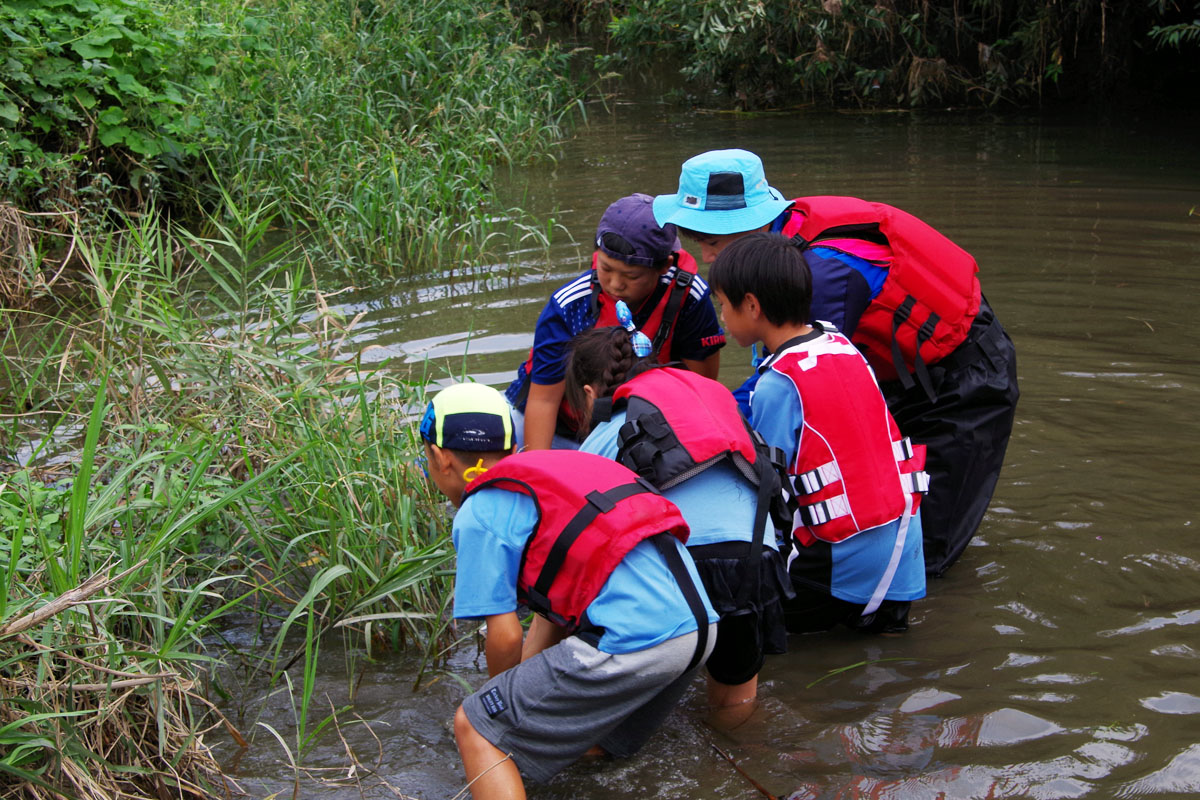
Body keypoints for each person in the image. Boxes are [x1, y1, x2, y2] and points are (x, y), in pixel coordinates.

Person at [652, 148, 1018, 577]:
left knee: (924, 547)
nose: (708, 258)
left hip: (962, 379)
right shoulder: (780, 249)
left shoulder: (821, 277)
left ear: (753, 224)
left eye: (713, 243)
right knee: (887, 503)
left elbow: (783, 384)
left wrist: (690, 424)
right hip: (899, 373)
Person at [420, 381, 718, 799]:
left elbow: (505, 635)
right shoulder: (555, 472)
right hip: (699, 628)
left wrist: (501, 718)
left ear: (439, 457)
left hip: (634, 638)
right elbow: (559, 604)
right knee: (588, 750)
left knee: (476, 727)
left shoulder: (480, 511)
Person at [563, 324, 794, 729]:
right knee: (734, 704)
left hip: (679, 576)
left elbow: (576, 552)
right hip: (755, 560)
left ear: (587, 395)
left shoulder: (603, 433)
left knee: (621, 720)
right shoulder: (708, 406)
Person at [708, 232, 928, 634]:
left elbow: (766, 495)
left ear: (752, 306)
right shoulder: (845, 348)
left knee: (726, 616)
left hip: (837, 583)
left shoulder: (778, 384)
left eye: (723, 305)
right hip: (904, 567)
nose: (723, 317)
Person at [505, 192, 725, 451]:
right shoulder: (569, 305)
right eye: (606, 268)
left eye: (631, 276)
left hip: (642, 429)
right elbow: (544, 402)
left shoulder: (689, 298)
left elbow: (701, 389)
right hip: (562, 428)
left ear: (664, 266)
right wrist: (539, 470)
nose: (615, 284)